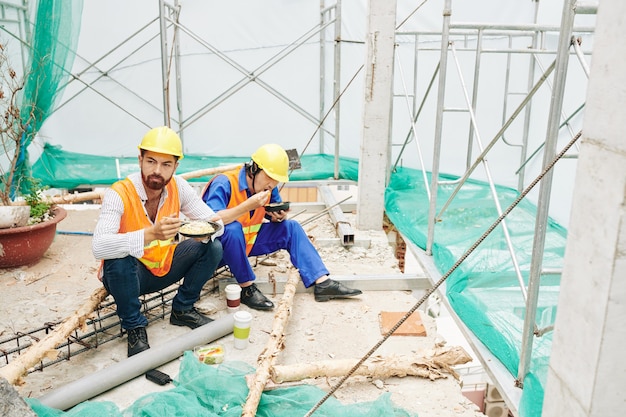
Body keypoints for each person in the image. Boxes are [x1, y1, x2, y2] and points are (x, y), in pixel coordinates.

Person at [92, 126, 224, 357]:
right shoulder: (118, 194)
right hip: (128, 278)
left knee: (212, 246)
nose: (157, 171)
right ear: (140, 159)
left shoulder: (178, 186)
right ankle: (134, 326)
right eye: (151, 161)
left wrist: (200, 230)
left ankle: (182, 309)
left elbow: (215, 222)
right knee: (118, 259)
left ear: (175, 166)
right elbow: (99, 246)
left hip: (162, 268)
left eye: (166, 165)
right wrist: (151, 234)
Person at [201, 143, 361, 311]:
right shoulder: (224, 183)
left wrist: (277, 216)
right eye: (269, 177)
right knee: (232, 229)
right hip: (217, 252)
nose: (272, 184)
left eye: (276, 179)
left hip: (247, 245)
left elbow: (273, 211)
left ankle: (322, 282)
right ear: (255, 168)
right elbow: (212, 222)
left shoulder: (268, 188)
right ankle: (246, 288)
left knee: (290, 227)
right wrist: (248, 206)